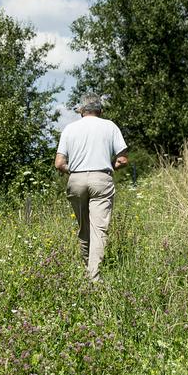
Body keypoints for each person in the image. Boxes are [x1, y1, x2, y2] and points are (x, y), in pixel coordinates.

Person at [55, 94, 128, 282]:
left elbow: (59, 163)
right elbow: (122, 159)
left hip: (76, 179)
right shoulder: (110, 126)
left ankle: (86, 267)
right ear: (100, 110)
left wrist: (74, 171)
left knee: (84, 227)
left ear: (81, 111)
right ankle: (94, 277)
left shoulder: (70, 129)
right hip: (101, 179)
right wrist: (112, 166)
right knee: (99, 229)